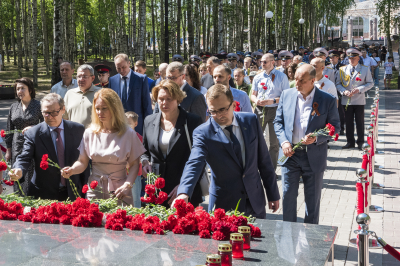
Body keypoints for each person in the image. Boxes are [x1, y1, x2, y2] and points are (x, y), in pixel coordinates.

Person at [172, 84, 280, 218]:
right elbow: (194, 163)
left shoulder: (250, 121)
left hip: (254, 201)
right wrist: (184, 193)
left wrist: (273, 194)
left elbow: (264, 160)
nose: (218, 115)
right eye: (213, 111)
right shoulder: (203, 133)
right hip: (224, 205)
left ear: (234, 105)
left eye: (223, 109)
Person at [273, 64, 340, 224]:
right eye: (295, 79)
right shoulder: (286, 95)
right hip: (290, 155)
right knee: (288, 196)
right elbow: (278, 122)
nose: (297, 84)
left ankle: (310, 239)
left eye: (301, 81)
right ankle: (288, 235)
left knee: (312, 201)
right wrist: (284, 142)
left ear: (312, 80)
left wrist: (317, 138)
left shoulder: (327, 99)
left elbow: (335, 127)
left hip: (314, 156)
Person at [61, 89, 145, 206]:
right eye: (97, 108)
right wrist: (72, 170)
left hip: (120, 191)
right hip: (94, 190)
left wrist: (128, 184)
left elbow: (135, 164)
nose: (100, 112)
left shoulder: (128, 133)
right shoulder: (89, 132)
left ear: (114, 109)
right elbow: (82, 162)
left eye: (104, 108)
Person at [9, 93, 89, 201]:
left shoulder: (77, 129)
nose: (50, 117)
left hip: (73, 192)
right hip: (43, 195)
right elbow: (24, 157)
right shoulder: (34, 133)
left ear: (63, 110)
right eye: (46, 113)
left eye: (54, 112)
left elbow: (85, 161)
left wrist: (85, 187)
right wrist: (19, 169)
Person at [142, 80, 204, 207]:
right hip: (156, 191)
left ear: (178, 99)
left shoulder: (192, 121)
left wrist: (184, 186)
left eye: (169, 99)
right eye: (161, 99)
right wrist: (144, 163)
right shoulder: (149, 121)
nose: (164, 103)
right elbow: (145, 151)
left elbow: (200, 158)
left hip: (183, 190)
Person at [5, 78, 44, 195]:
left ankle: (31, 203)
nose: (20, 91)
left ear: (30, 90)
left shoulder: (39, 105)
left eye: (23, 88)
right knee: (17, 173)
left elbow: (46, 125)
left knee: (32, 174)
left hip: (34, 144)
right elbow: (9, 129)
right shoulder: (14, 107)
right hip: (16, 144)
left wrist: (34, 128)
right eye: (17, 89)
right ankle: (19, 203)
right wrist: (8, 151)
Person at [251, 53, 290, 171]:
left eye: (265, 62)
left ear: (273, 62)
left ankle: (271, 170)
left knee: (273, 142)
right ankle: (255, 168)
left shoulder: (281, 77)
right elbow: (253, 95)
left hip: (275, 110)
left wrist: (272, 100)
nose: (262, 64)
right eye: (261, 61)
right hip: (260, 109)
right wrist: (256, 101)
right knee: (255, 139)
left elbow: (286, 97)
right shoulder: (258, 77)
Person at [336, 48, 373, 150]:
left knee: (360, 122)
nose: (351, 60)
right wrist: (344, 91)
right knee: (348, 122)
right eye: (350, 58)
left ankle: (360, 142)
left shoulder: (364, 69)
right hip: (346, 100)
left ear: (358, 58)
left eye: (354, 58)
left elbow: (370, 83)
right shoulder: (342, 69)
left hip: (359, 100)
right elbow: (338, 84)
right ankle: (350, 141)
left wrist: (360, 89)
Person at [109, 53, 153, 135]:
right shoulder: (112, 80)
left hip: (137, 125)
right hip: (118, 125)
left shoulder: (141, 79)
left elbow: (146, 104)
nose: (121, 70)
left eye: (124, 67)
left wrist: (149, 125)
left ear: (129, 63)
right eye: (118, 68)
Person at [125, 111, 143, 208]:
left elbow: (140, 155)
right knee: (124, 197)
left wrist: (130, 163)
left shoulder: (138, 138)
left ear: (135, 124)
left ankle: (137, 217)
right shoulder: (121, 137)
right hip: (123, 173)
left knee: (135, 197)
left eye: (129, 124)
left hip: (135, 173)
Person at [328, 50, 345, 134]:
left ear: (337, 57)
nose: (331, 59)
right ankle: (331, 127)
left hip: (339, 91)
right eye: (330, 57)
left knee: (340, 111)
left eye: (333, 57)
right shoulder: (327, 67)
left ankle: (341, 128)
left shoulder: (343, 67)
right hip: (329, 91)